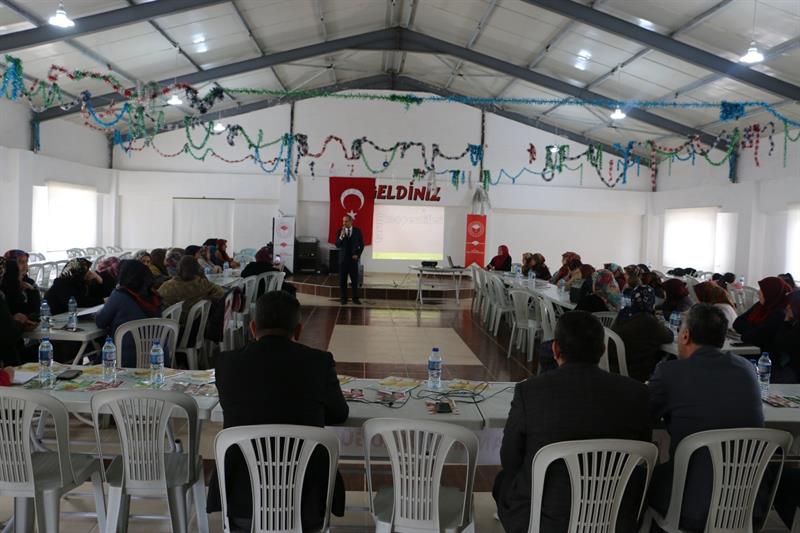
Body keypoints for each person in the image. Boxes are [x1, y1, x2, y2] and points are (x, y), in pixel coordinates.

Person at [493, 311, 651, 533]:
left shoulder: (530, 392)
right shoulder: (637, 394)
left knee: (503, 480)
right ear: (602, 350)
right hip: (615, 519)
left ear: (555, 349)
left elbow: (510, 458)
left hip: (544, 521)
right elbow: (642, 453)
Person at [208, 290, 348, 531]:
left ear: (253, 328)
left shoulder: (227, 363)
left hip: (242, 501)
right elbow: (339, 414)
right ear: (298, 331)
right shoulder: (319, 363)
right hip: (307, 502)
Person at [647, 304, 764, 531]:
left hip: (690, 506)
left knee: (636, 480)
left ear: (685, 335)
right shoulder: (747, 370)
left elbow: (644, 416)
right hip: (746, 505)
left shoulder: (670, 373)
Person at [95, 260, 164, 368]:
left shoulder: (119, 295)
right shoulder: (155, 296)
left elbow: (101, 322)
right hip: (157, 357)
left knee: (97, 357)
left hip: (124, 359)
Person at [612, 285, 674, 382]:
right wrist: (658, 322)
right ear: (651, 301)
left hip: (614, 367)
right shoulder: (647, 320)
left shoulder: (623, 313)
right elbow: (669, 337)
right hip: (636, 372)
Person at [733, 276, 793, 357]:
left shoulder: (780, 314)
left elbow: (750, 337)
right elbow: (737, 322)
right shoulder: (760, 306)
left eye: (761, 290)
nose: (758, 292)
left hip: (765, 356)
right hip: (752, 349)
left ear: (770, 293)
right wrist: (754, 329)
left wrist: (749, 330)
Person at [157, 256, 225, 326]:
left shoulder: (167, 286)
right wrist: (207, 298)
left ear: (179, 268)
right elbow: (221, 292)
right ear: (197, 268)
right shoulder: (202, 283)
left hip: (169, 326)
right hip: (193, 323)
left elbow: (157, 304)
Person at [0, 257, 37, 367]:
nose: (24, 268)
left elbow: (34, 312)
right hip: (7, 361)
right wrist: (18, 322)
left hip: (16, 349)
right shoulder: (4, 294)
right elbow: (8, 334)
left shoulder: (22, 286)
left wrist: (30, 290)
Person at [335, 215, 364, 304]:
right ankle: (343, 298)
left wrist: (357, 255)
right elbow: (337, 245)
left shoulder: (357, 231)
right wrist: (341, 236)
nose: (344, 223)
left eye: (346, 221)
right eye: (343, 221)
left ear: (351, 221)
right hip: (343, 260)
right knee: (342, 280)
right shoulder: (340, 231)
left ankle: (355, 298)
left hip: (353, 260)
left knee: (354, 280)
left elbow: (362, 245)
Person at [775, 292, 800, 382]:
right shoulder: (796, 323)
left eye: (791, 305)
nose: (787, 307)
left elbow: (780, 344)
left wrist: (786, 322)